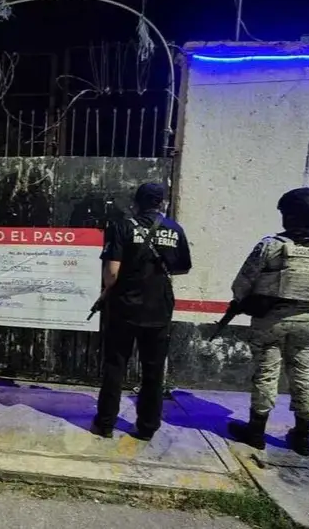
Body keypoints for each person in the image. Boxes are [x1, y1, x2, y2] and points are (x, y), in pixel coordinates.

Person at [227, 187, 309, 456]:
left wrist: (244, 300)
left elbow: (243, 282)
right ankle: (303, 437)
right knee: (303, 374)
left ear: (289, 216)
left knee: (266, 373)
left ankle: (256, 432)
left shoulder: (271, 245)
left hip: (271, 320)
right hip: (308, 320)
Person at [92, 182, 192, 441]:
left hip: (124, 307)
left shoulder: (122, 227)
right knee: (153, 371)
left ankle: (105, 424)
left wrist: (107, 291)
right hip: (159, 308)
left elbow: (112, 273)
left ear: (136, 202)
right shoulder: (175, 229)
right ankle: (147, 428)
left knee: (115, 366)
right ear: (161, 203)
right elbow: (183, 267)